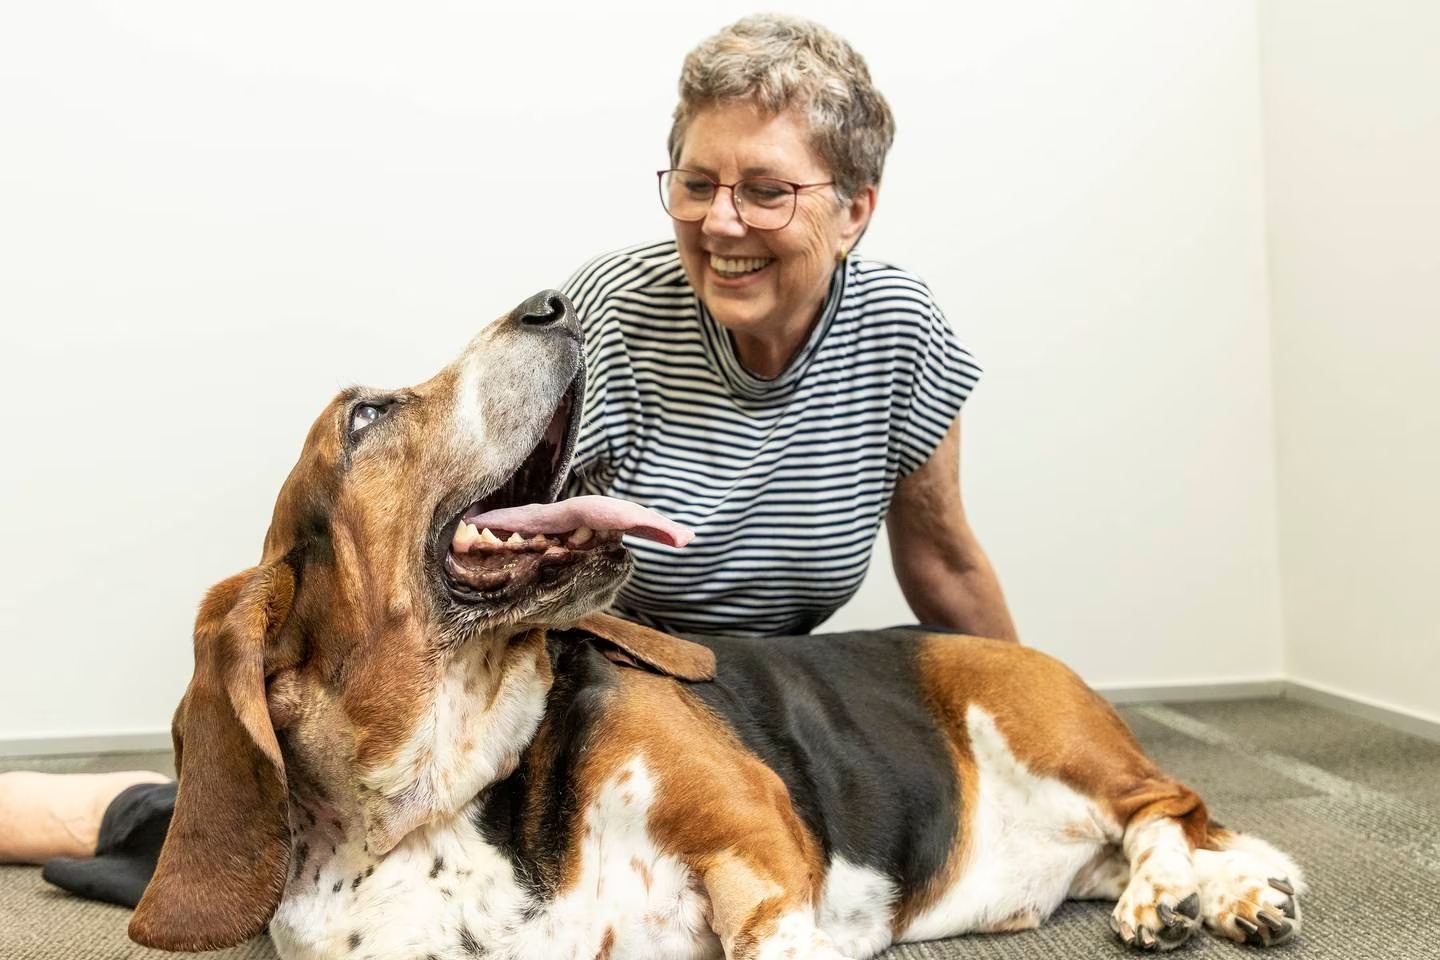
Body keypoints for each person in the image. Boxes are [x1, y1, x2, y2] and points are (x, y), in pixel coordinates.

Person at [0, 13, 1016, 908]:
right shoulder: (610, 316)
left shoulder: (901, 333)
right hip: (600, 691)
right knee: (328, 874)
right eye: (697, 183)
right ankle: (156, 815)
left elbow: (944, 563)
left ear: (855, 209)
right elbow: (470, 555)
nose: (720, 222)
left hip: (776, 690)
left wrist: (1039, 700)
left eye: (765, 190)